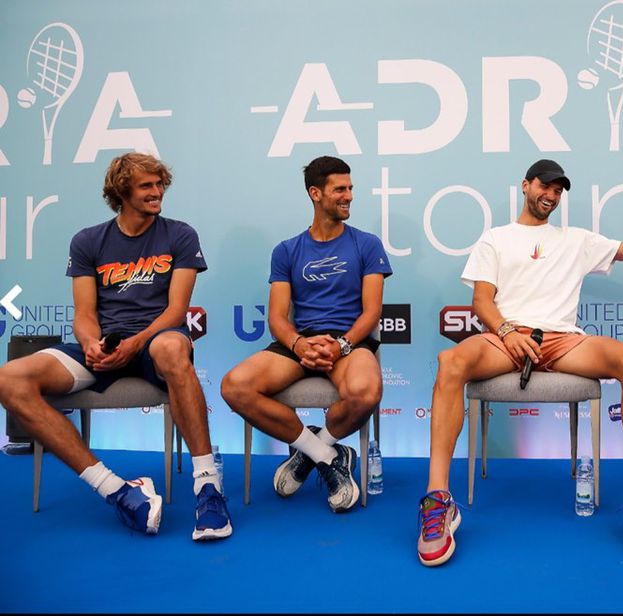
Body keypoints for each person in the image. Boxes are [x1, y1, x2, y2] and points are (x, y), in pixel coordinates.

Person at [416, 159, 623, 567]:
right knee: (449, 361)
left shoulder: (575, 239)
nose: (550, 195)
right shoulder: (496, 238)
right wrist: (508, 332)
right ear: (525, 186)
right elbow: (482, 301)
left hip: (562, 341)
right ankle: (439, 498)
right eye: (544, 186)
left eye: (558, 190)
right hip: (506, 337)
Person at [0, 152, 231, 540]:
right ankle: (117, 491)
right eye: (147, 186)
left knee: (173, 348)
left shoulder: (180, 234)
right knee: (9, 379)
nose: (157, 192)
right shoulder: (89, 240)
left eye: (160, 185)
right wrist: (91, 344)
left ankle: (208, 488)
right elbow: (84, 312)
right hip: (105, 346)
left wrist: (135, 343)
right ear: (121, 191)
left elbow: (176, 311)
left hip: (156, 339)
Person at [221, 155, 391, 514]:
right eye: (339, 189)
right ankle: (329, 456)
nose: (348, 196)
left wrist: (341, 344)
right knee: (234, 386)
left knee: (367, 391)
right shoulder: (286, 250)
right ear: (316, 193)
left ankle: (316, 447)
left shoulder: (367, 244)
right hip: (299, 343)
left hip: (349, 341)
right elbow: (278, 318)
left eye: (350, 189)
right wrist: (299, 344)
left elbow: (372, 311)